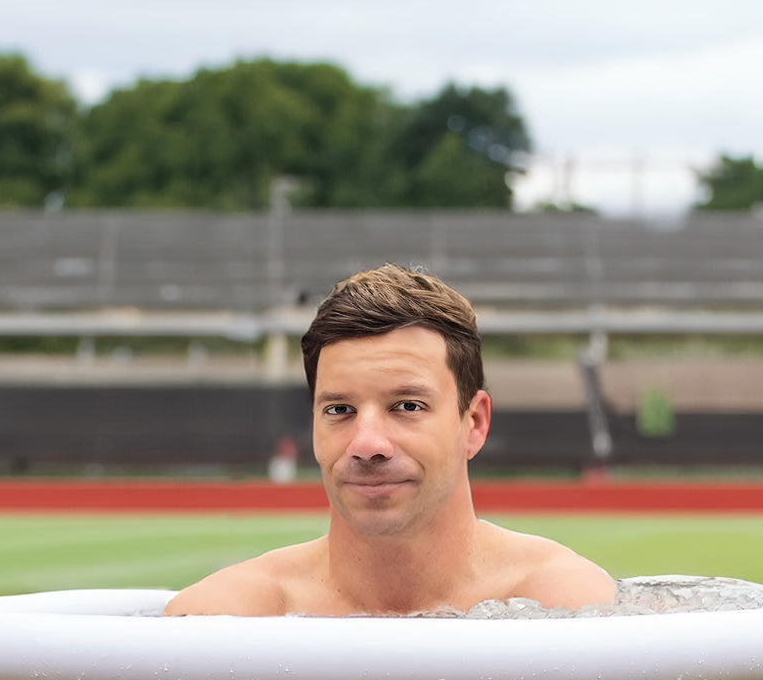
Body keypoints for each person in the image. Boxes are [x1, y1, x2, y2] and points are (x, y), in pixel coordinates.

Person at [163, 264, 615, 617]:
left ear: (474, 423)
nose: (367, 444)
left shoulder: (565, 607)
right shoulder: (226, 615)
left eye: (407, 406)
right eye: (339, 409)